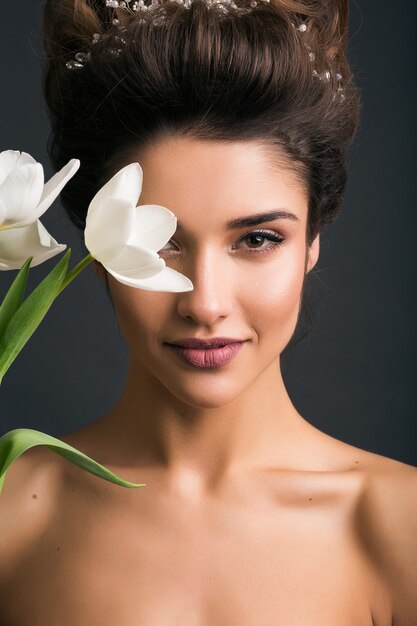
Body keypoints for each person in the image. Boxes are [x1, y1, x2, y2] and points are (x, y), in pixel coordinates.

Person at [0, 0, 416, 624]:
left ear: (312, 241)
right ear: (95, 240)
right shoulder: (12, 515)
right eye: (161, 241)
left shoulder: (399, 527)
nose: (205, 303)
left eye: (257, 240)